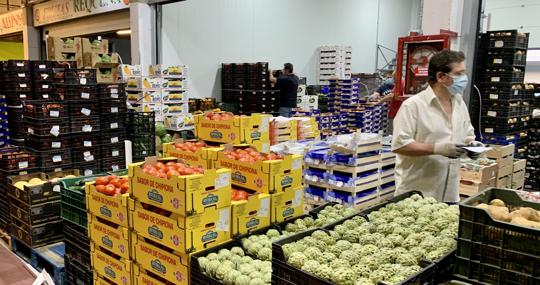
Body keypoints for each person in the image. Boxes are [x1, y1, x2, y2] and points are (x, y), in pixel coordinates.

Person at [391, 49, 482, 203]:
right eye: (459, 74)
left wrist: (472, 147)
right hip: (417, 195)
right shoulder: (413, 106)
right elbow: (400, 145)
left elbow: (467, 136)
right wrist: (437, 149)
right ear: (441, 77)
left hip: (450, 194)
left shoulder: (459, 103)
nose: (464, 78)